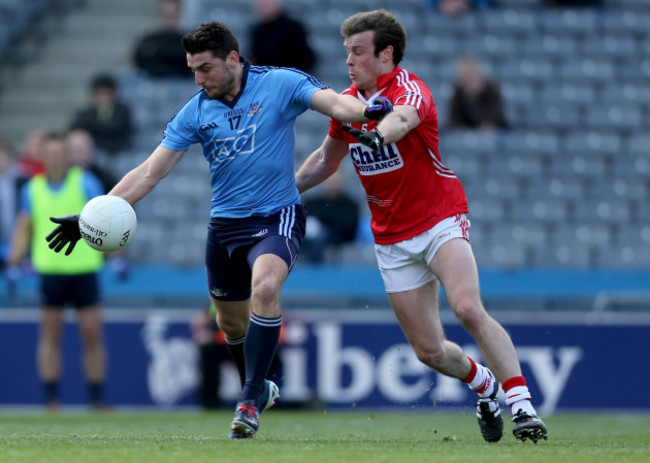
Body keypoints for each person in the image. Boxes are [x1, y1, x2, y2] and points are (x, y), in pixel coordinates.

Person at [44, 21, 392, 437]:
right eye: (193, 69)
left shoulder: (280, 83)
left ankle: (247, 400)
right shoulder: (195, 110)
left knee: (265, 288)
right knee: (231, 325)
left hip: (275, 215)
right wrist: (90, 217)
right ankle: (258, 386)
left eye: (205, 68)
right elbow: (150, 172)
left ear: (232, 59)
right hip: (225, 228)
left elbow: (335, 103)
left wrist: (369, 111)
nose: (198, 78)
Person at [295, 9, 547, 444]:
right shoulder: (347, 102)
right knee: (429, 352)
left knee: (467, 308)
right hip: (392, 238)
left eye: (358, 51)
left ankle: (523, 408)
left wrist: (377, 132)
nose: (349, 60)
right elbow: (325, 160)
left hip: (438, 219)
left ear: (386, 53)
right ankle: (484, 385)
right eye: (347, 52)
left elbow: (403, 119)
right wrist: (280, 190)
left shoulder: (410, 88)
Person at [5, 132, 108, 410]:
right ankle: (51, 399)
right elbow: (24, 227)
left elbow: (106, 217)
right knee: (51, 336)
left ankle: (97, 398)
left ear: (67, 155)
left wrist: (118, 255)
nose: (56, 158)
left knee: (92, 333)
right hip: (51, 272)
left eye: (60, 153)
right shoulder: (32, 189)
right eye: (50, 153)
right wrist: (13, 262)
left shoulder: (85, 182)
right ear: (43, 157)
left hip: (84, 269)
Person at [301, 169, 360, 263]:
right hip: (309, 239)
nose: (333, 185)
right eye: (331, 182)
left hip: (338, 239)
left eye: (336, 182)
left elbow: (349, 228)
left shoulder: (351, 204)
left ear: (343, 182)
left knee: (320, 237)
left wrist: (323, 224)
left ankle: (315, 268)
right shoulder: (312, 202)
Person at [69, 73, 134, 155]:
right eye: (99, 94)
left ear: (113, 94)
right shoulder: (86, 113)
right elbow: (75, 128)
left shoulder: (122, 111)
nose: (103, 98)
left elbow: (114, 129)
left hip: (120, 154)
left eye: (105, 93)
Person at [248, 0, 316, 73]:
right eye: (260, 6)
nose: (263, 9)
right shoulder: (257, 30)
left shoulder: (292, 27)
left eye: (266, 5)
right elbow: (256, 56)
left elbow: (306, 58)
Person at [132, 0, 192, 79]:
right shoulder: (149, 41)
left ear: (179, 13)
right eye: (165, 11)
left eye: (172, 12)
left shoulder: (192, 41)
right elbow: (139, 62)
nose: (168, 15)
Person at [447, 56, 509, 131]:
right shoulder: (457, 93)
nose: (469, 78)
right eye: (466, 75)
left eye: (472, 73)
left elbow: (496, 117)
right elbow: (454, 122)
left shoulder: (493, 90)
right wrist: (470, 98)